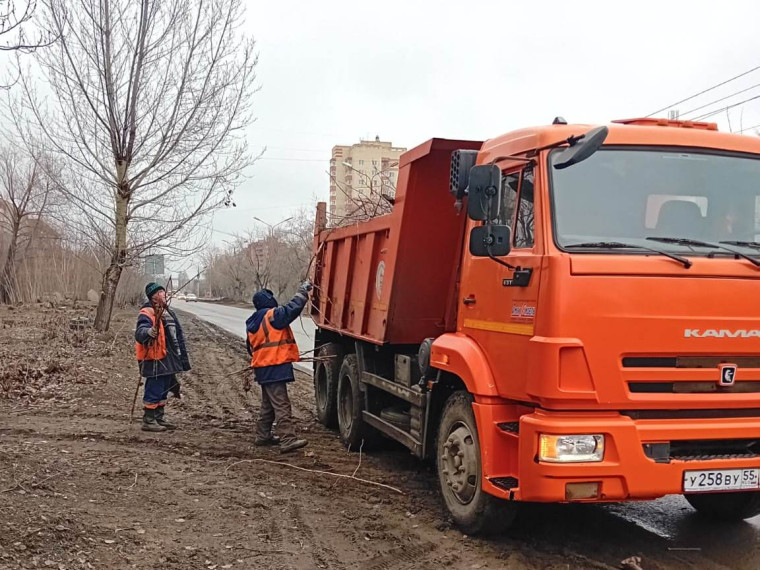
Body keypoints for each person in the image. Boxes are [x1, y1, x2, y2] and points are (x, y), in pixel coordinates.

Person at [246, 280, 312, 453]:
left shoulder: (252, 321)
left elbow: (250, 348)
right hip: (274, 367)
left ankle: (263, 435)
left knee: (268, 405)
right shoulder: (272, 315)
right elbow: (292, 308)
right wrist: (303, 291)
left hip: (263, 368)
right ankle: (288, 440)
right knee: (281, 404)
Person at [135, 282, 191, 432]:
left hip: (168, 357)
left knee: (165, 387)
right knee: (155, 387)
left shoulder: (167, 312)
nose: (164, 295)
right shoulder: (147, 312)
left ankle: (159, 417)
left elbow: (176, 336)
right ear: (154, 296)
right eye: (161, 292)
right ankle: (149, 420)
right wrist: (148, 332)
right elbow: (140, 331)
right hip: (155, 358)